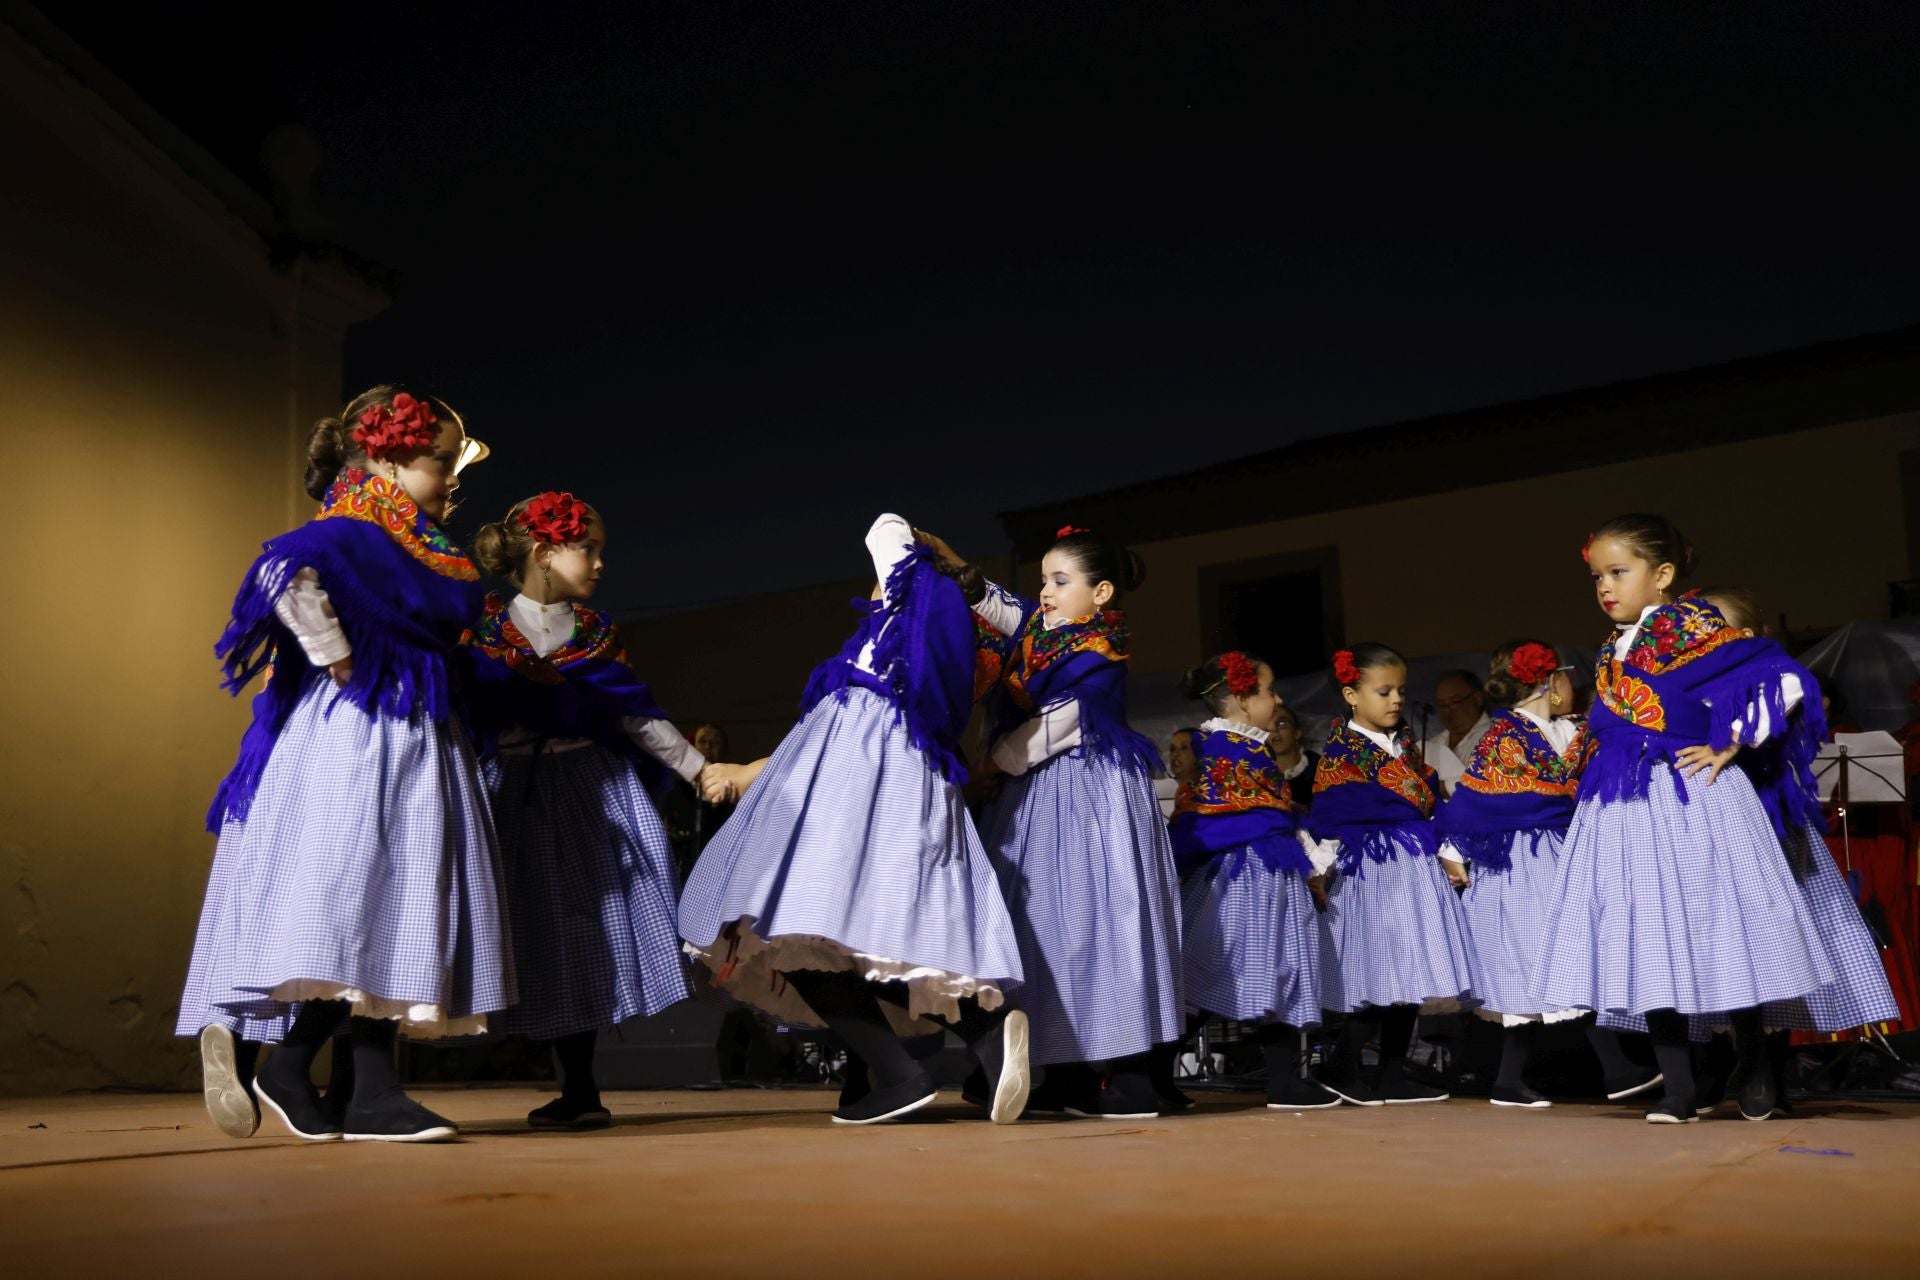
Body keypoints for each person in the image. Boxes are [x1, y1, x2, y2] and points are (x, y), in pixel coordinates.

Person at [176, 387, 508, 1143]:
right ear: (387, 458)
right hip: (363, 731)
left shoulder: (418, 544)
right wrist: (336, 656)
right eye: (437, 462)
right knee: (371, 891)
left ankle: (321, 1078)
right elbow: (279, 572)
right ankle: (350, 1087)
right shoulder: (354, 527)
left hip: (415, 727)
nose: (451, 478)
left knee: (394, 900)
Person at [679, 514, 1029, 1125]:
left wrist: (931, 548)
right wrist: (743, 771)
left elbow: (885, 527)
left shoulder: (907, 613)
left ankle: (902, 1072)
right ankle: (975, 1034)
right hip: (891, 784)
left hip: (861, 786)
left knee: (790, 934)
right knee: (853, 944)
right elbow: (804, 745)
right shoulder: (884, 664)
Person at [1534, 515, 1836, 1124]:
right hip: (1621, 806)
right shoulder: (1609, 646)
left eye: (1619, 572)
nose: (1605, 587)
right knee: (1646, 934)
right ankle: (1678, 1084)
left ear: (1663, 575)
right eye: (1598, 576)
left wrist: (1732, 744)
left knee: (1719, 924)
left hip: (1690, 795)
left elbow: (1783, 680)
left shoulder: (1690, 626)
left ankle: (1752, 1060)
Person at [466, 492, 704, 1128]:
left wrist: (701, 774)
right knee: (530, 930)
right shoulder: (485, 628)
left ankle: (580, 1089)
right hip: (510, 792)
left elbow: (635, 713)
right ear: (544, 554)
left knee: (585, 927)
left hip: (588, 790)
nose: (600, 564)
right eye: (588, 549)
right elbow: (464, 714)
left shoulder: (598, 635)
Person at [974, 526, 1184, 1119]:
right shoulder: (1043, 639)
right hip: (1039, 799)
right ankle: (1064, 1071)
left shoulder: (1100, 652)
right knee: (1047, 929)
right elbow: (1005, 613)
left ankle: (1133, 1074)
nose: (1044, 592)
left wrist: (990, 764)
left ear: (1102, 592)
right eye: (1042, 580)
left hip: (1090, 795)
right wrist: (965, 581)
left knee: (1104, 921)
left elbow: (1058, 726)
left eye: (1060, 581)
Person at [1435, 640, 1661, 1108]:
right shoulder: (1505, 737)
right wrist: (1453, 849)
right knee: (1550, 960)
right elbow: (1477, 800)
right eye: (1565, 677)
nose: (1571, 687)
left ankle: (1515, 1081)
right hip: (1523, 862)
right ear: (1550, 681)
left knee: (1564, 960)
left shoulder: (1570, 730)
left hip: (1564, 853)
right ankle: (1614, 1069)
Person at [1165, 652, 1339, 1110]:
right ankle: (1145, 1075)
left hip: (1261, 873)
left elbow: (1268, 810)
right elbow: (1217, 816)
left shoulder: (1247, 746)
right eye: (1268, 690)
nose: (1277, 699)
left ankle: (1283, 1079)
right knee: (1212, 969)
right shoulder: (1220, 747)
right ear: (1242, 698)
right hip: (1238, 877)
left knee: (1272, 969)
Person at [1308, 643, 1476, 1105]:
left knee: (1409, 975)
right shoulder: (1343, 752)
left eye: (1400, 690)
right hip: (1373, 870)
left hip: (1411, 865)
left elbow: (1427, 800)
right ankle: (1341, 1066)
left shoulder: (1403, 743)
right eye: (1383, 691)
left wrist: (1446, 847)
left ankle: (1391, 1073)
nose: (1396, 700)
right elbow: (1333, 814)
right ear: (1351, 695)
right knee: (1382, 970)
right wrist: (1317, 868)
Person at [1423, 670, 1493, 792]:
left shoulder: (1498, 736)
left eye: (1455, 702)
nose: (1448, 711)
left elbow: (1494, 780)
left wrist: (1444, 787)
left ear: (1478, 698)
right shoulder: (1433, 744)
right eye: (1442, 705)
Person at [1268, 703, 1319, 811]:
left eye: (1282, 723)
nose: (1274, 730)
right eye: (1267, 726)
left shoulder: (1320, 767)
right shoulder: (1259, 773)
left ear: (1297, 732)